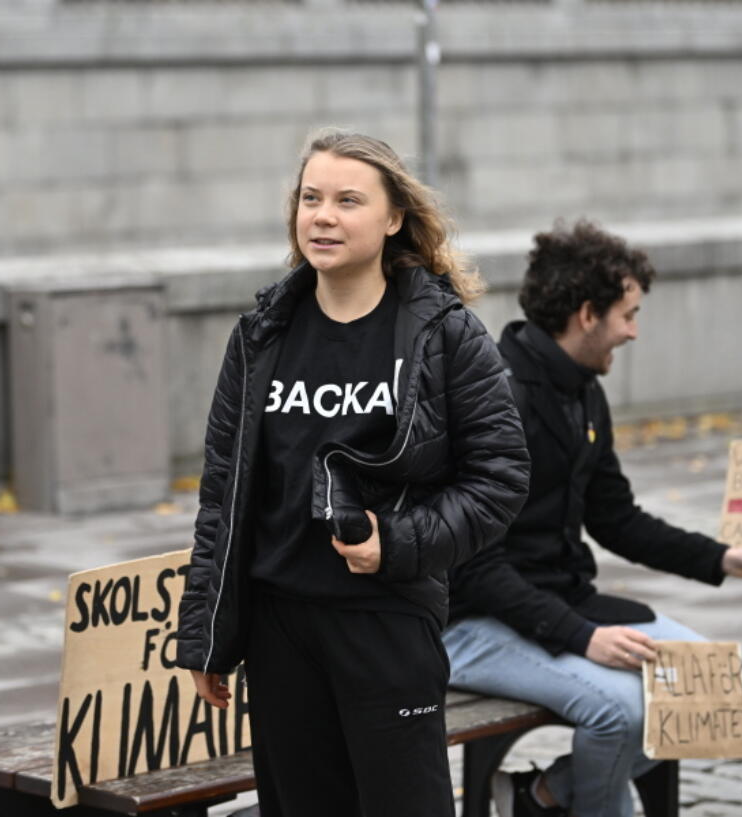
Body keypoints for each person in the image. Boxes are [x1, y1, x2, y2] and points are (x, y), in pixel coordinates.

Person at [176, 130, 530, 817]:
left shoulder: (443, 332)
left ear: (394, 217)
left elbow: (501, 476)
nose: (323, 216)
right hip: (281, 626)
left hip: (386, 619)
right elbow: (223, 494)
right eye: (310, 198)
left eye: (347, 200)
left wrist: (396, 542)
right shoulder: (261, 335)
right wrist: (207, 636)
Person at [447, 221, 742, 817]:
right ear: (588, 313)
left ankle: (537, 799)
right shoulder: (498, 397)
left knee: (708, 678)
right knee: (620, 710)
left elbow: (616, 518)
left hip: (557, 602)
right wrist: (583, 637)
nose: (635, 332)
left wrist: (723, 558)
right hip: (473, 624)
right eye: (628, 314)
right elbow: (476, 571)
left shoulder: (583, 389)